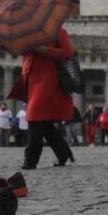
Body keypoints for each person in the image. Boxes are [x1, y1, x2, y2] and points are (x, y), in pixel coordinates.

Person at [21, 26, 76, 169]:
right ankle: (63, 152)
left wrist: (45, 50)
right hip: (32, 80)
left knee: (34, 117)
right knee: (43, 123)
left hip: (47, 81)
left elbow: (68, 53)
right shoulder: (29, 33)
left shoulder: (58, 31)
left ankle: (30, 160)